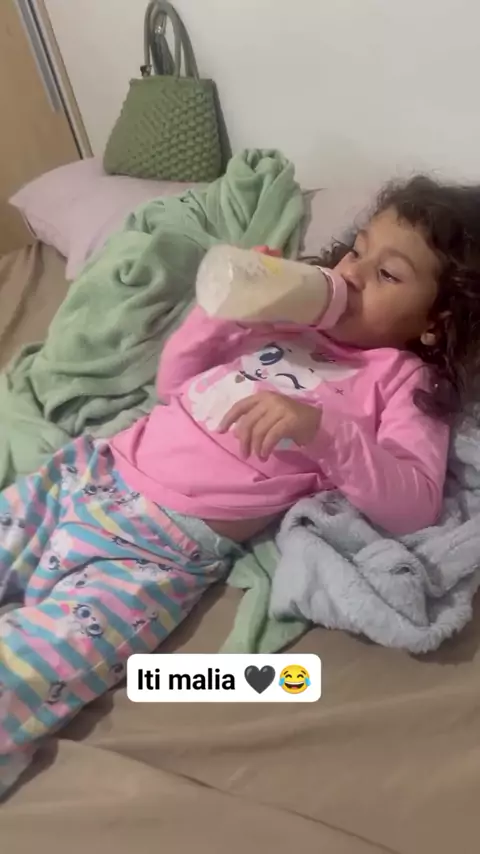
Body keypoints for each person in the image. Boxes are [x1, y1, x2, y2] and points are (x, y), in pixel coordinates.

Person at [1, 175, 480, 795]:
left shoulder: (399, 380)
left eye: (387, 274)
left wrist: (325, 433)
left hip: (155, 549)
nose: (353, 273)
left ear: (436, 322)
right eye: (357, 250)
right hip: (88, 474)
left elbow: (414, 504)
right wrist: (217, 316)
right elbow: (175, 385)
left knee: (33, 666)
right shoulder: (290, 323)